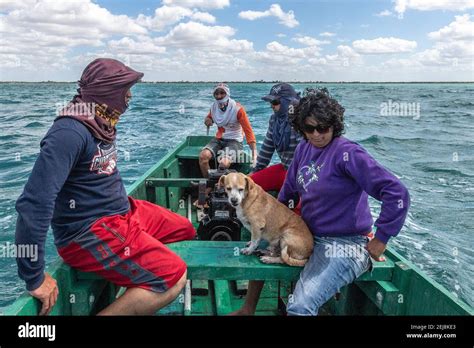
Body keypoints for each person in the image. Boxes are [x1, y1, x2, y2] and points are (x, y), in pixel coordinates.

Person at [15, 58, 196, 316]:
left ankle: (136, 273)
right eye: (125, 90)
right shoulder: (69, 133)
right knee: (174, 275)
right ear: (108, 94)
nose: (130, 96)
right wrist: (32, 276)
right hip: (89, 232)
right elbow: (33, 205)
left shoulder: (101, 121)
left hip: (123, 214)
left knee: (185, 229)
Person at [232, 88, 410, 315]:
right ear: (301, 128)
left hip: (344, 243)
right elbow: (288, 191)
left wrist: (382, 237)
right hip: (305, 233)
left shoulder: (348, 154)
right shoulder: (304, 149)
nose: (316, 134)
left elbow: (397, 193)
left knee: (299, 307)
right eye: (309, 128)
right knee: (255, 251)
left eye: (323, 127)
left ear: (334, 125)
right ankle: (248, 308)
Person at [250, 83, 302, 191]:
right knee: (248, 184)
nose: (271, 106)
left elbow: (305, 154)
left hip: (300, 173)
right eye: (271, 102)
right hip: (285, 168)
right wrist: (255, 171)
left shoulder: (300, 120)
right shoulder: (274, 120)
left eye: (275, 102)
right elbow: (267, 149)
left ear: (288, 101)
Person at [199, 83, 257, 178]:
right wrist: (207, 120)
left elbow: (248, 131)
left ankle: (224, 183)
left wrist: (254, 154)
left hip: (235, 140)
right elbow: (210, 117)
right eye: (216, 94)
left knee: (224, 163)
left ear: (227, 94)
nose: (219, 96)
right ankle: (208, 184)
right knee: (203, 156)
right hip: (219, 139)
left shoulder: (238, 109)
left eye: (222, 93)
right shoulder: (214, 107)